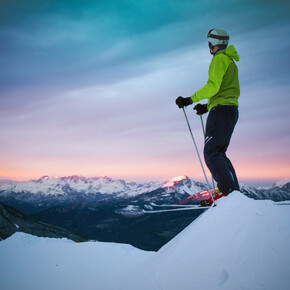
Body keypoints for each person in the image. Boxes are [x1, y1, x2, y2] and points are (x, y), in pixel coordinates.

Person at [175, 29, 240, 202]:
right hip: (230, 109)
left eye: (209, 43)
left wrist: (189, 99)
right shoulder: (230, 61)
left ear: (213, 43)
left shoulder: (219, 59)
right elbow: (225, 89)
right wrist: (207, 106)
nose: (208, 47)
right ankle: (234, 192)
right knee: (219, 151)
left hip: (221, 110)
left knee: (211, 152)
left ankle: (227, 192)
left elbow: (212, 86)